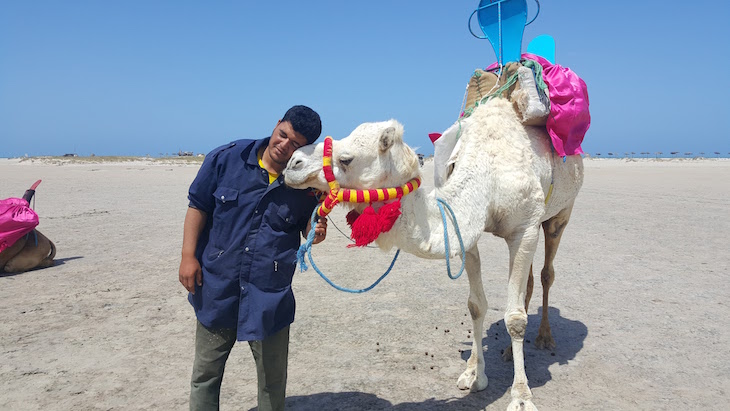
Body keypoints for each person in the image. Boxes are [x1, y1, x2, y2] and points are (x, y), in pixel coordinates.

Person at [178, 105, 328, 411]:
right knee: (206, 374)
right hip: (217, 288)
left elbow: (308, 228)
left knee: (273, 381)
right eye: (282, 134)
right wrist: (187, 256)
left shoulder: (307, 182)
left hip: (268, 296)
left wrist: (318, 226)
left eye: (296, 144)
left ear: (306, 148)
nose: (284, 146)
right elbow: (198, 206)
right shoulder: (226, 158)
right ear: (276, 125)